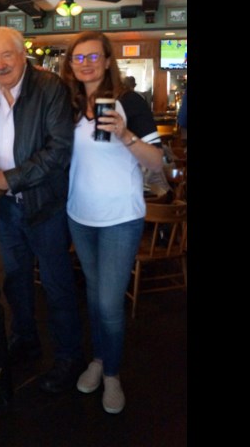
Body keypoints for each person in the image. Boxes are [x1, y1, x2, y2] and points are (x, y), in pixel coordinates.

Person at [0, 26, 85, 394]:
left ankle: (68, 358)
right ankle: (26, 341)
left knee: (56, 285)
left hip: (45, 205)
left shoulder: (50, 87)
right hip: (7, 207)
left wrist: (9, 178)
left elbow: (58, 151)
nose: (0, 64)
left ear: (23, 55)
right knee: (16, 280)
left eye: (7, 55)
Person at [59, 31, 164, 414]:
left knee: (108, 302)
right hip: (80, 214)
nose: (85, 64)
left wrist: (126, 134)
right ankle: (100, 359)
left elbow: (157, 163)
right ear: (70, 65)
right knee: (93, 294)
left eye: (92, 57)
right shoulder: (69, 104)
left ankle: (112, 374)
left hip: (121, 216)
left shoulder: (129, 102)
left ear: (107, 61)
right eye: (77, 58)